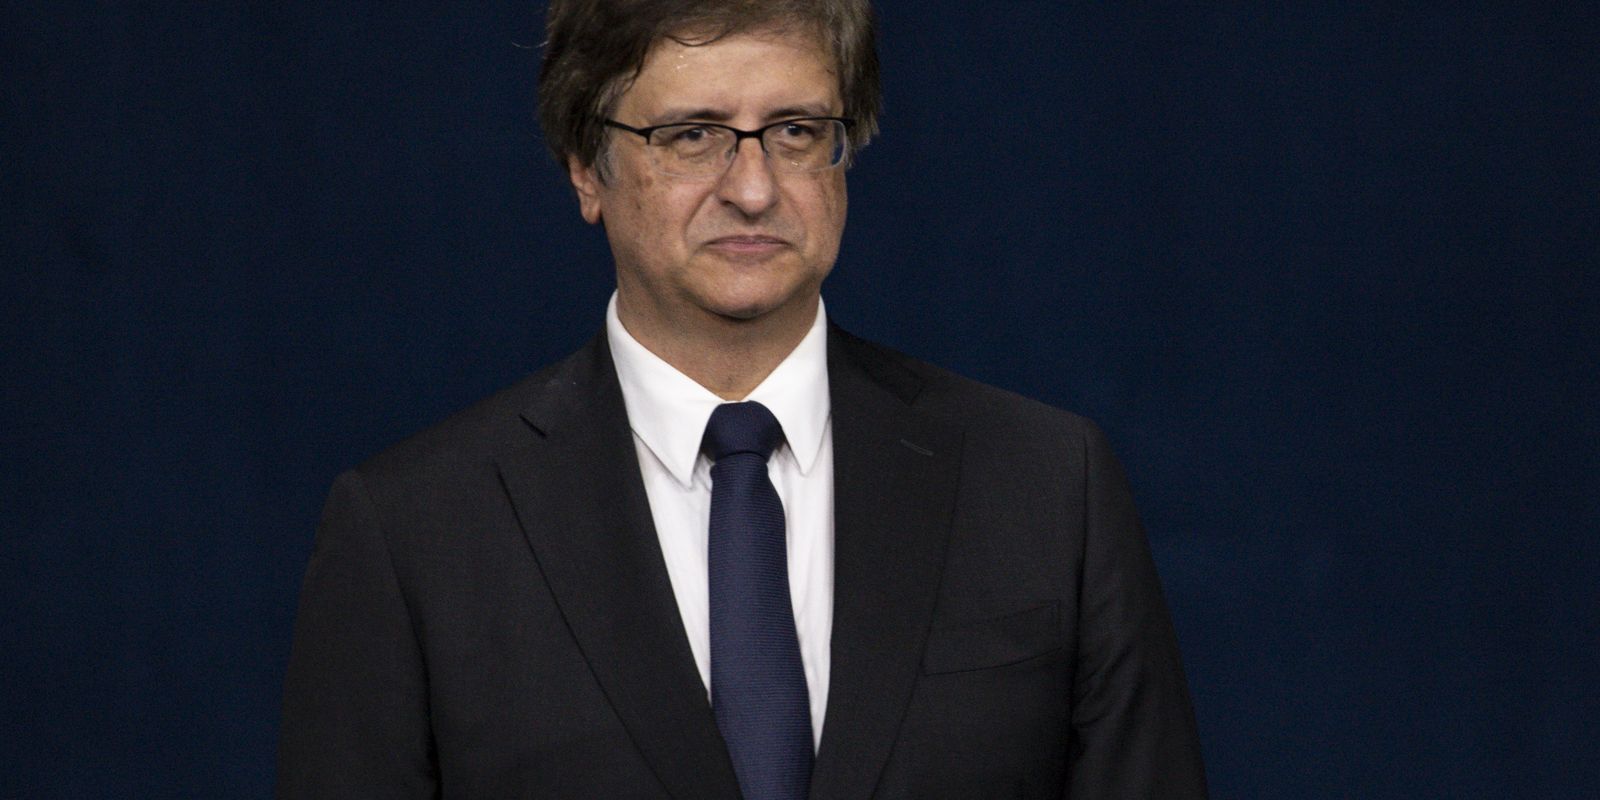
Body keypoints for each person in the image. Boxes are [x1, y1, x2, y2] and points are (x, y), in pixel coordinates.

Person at [275, 0, 1208, 797]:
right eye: (693, 135)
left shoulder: (1049, 487)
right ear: (584, 166)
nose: (755, 189)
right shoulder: (414, 534)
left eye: (796, 131)